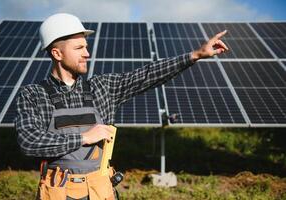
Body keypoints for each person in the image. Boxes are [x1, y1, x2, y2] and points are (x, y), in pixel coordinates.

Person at [15, 13, 228, 200]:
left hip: (101, 190)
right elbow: (29, 142)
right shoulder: (33, 94)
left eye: (86, 47)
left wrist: (195, 55)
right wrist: (84, 138)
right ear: (57, 54)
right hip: (58, 192)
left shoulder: (103, 87)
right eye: (79, 48)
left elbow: (147, 75)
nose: (87, 53)